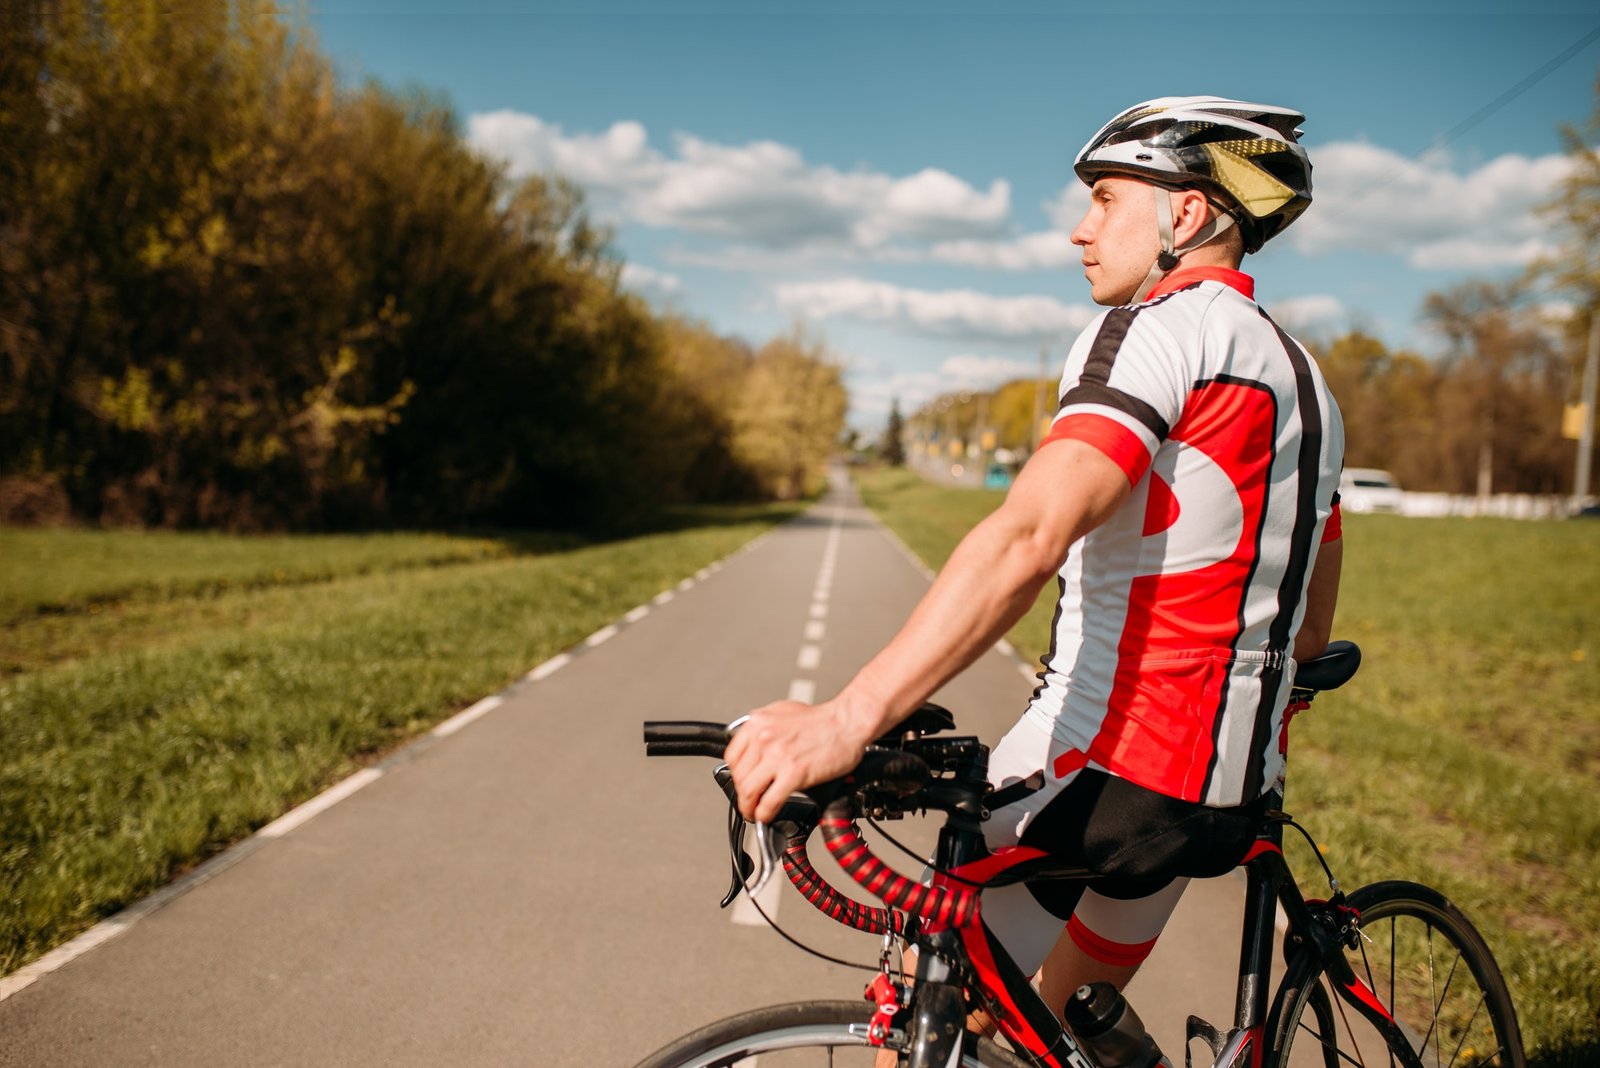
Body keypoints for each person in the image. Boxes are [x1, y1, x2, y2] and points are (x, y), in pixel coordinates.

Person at [725, 96, 1344, 1020]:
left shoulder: (1156, 333)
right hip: (1226, 792)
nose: (1078, 229)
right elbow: (1312, 616)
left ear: (1186, 213)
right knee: (1051, 1028)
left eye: (1104, 198)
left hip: (1107, 774)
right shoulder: (1307, 378)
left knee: (938, 1020)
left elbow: (1030, 532)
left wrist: (849, 717)